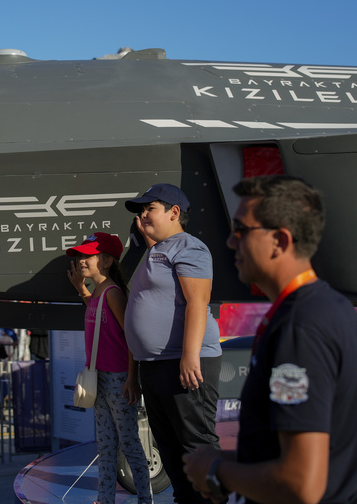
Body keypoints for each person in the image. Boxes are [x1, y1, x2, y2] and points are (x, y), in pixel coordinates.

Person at [182, 175, 357, 504]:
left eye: (241, 230)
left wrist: (216, 470)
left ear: (280, 241)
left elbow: (301, 485)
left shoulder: (301, 327)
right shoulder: (324, 308)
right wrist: (225, 466)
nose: (230, 242)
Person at [122, 183, 221, 504]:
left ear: (174, 212)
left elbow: (197, 301)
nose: (143, 215)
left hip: (184, 362)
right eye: (141, 211)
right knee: (169, 446)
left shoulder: (189, 247)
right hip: (154, 366)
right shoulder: (156, 251)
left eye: (149, 208)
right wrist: (133, 374)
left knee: (196, 445)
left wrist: (190, 355)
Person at [66, 232, 152, 504]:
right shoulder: (97, 294)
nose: (81, 261)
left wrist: (131, 377)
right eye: (80, 255)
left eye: (87, 255)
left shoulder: (113, 294)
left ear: (106, 261)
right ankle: (105, 499)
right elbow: (94, 307)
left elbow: (131, 338)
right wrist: (81, 288)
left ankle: (145, 498)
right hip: (100, 378)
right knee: (105, 445)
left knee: (128, 443)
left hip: (117, 379)